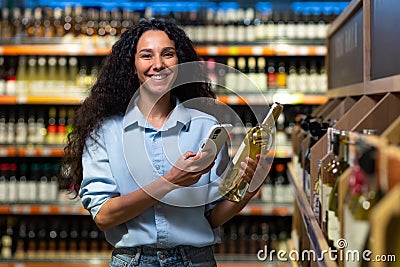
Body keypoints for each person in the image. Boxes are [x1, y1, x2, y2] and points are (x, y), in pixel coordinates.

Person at [61, 18, 267, 267]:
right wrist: (170, 181)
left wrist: (247, 190)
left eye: (167, 54)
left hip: (195, 261)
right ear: (132, 65)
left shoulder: (206, 126)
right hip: (133, 261)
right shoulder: (106, 131)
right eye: (146, 56)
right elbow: (104, 217)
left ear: (180, 62)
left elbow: (210, 218)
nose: (158, 64)